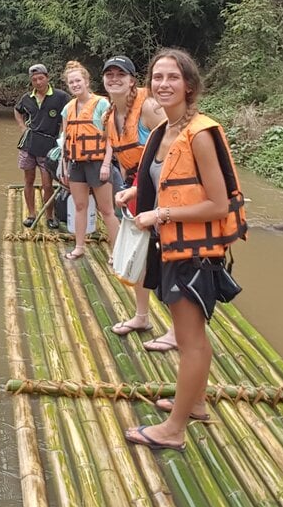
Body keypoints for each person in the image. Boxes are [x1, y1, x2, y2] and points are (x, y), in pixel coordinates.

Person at [123, 48, 247, 451]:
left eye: (172, 77)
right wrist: (135, 193)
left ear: (189, 85)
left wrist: (160, 214)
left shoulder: (200, 133)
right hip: (174, 249)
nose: (163, 84)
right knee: (192, 334)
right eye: (157, 77)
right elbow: (171, 180)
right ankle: (193, 402)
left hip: (195, 254)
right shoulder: (166, 131)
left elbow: (217, 203)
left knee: (190, 339)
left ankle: (174, 429)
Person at [102, 56, 172, 352]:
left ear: (133, 80)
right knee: (141, 256)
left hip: (164, 188)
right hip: (137, 186)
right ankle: (142, 317)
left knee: (170, 258)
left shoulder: (148, 107)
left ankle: (179, 329)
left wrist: (152, 192)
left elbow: (175, 145)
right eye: (109, 74)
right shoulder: (108, 115)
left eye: (122, 74)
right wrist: (133, 189)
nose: (114, 78)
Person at [58, 60, 120, 260]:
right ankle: (79, 246)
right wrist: (64, 165)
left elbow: (111, 137)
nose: (75, 85)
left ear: (86, 81)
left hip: (97, 162)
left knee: (106, 209)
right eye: (71, 83)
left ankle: (116, 252)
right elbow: (66, 139)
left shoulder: (102, 104)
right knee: (79, 206)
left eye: (78, 81)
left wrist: (105, 164)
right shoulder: (67, 109)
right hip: (76, 163)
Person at [14, 63, 69, 229]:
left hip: (49, 145)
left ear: (47, 77)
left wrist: (63, 134)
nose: (38, 82)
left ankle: (50, 216)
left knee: (47, 184)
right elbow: (17, 110)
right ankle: (31, 214)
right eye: (34, 80)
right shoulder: (27, 98)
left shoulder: (60, 96)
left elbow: (70, 112)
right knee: (28, 180)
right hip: (29, 144)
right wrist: (23, 127)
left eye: (41, 78)